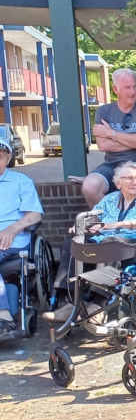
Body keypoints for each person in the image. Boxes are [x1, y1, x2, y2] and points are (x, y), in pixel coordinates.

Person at [42, 161, 136, 324]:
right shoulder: (110, 199)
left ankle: (98, 305)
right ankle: (71, 303)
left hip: (133, 243)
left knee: (109, 243)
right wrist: (82, 225)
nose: (135, 182)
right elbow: (93, 215)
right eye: (129, 178)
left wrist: (118, 224)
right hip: (103, 239)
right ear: (118, 183)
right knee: (70, 245)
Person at [83, 68, 136, 208]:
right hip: (113, 164)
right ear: (115, 89)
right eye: (127, 87)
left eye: (134, 87)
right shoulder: (104, 111)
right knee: (90, 185)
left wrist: (112, 134)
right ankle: (110, 224)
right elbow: (103, 146)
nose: (132, 92)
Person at [0, 139, 43, 334]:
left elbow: (34, 214)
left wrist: (11, 229)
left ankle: (4, 317)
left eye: (0, 157)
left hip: (12, 241)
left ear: (8, 158)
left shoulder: (20, 181)